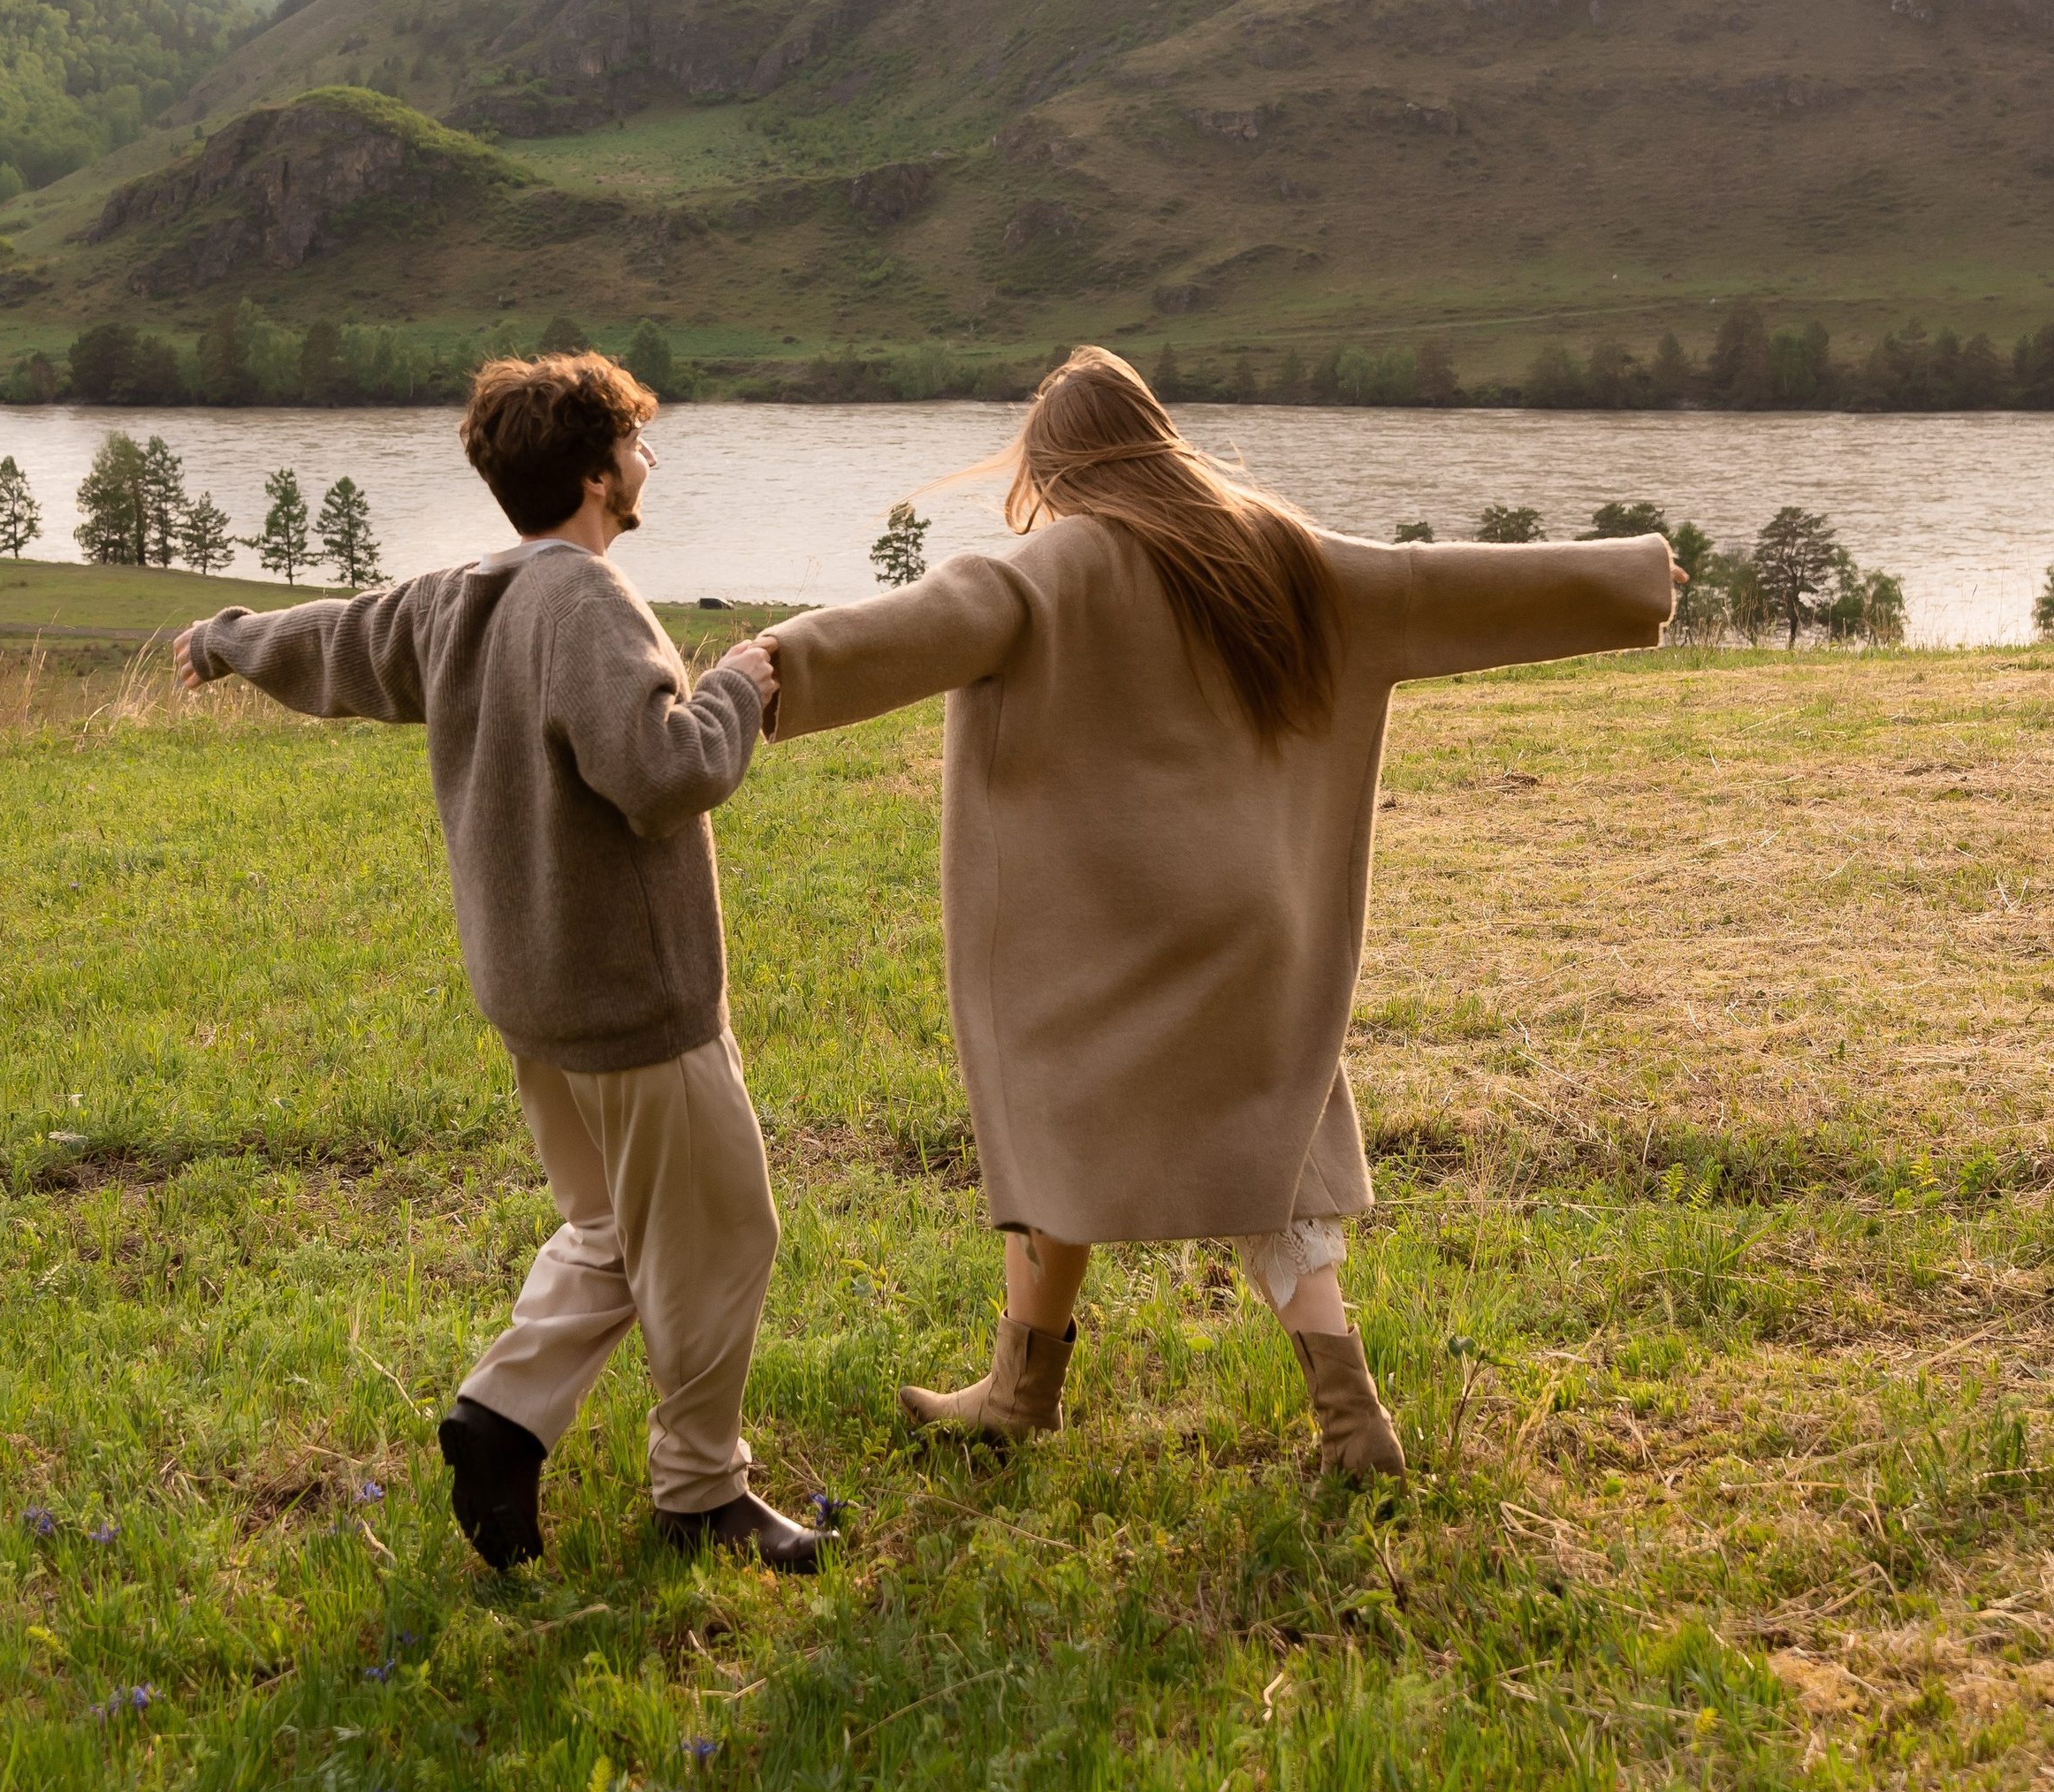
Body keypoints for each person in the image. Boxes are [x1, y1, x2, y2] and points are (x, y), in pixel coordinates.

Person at [760, 345, 1678, 1477]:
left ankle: (1019, 1392)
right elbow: (1427, 580)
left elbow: (927, 620)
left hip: (1109, 929)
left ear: (1058, 464)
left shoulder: (1057, 567)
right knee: (1270, 1150)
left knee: (1062, 1120)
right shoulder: (1275, 549)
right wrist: (1629, 579)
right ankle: (1345, 1417)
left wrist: (767, 672)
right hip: (1256, 920)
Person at [172, 350, 828, 1576]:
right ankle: (700, 1492)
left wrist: (228, 637)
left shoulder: (454, 597)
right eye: (637, 444)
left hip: (535, 1001)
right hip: (635, 1010)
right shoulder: (585, 599)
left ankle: (502, 1419)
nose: (648, 461)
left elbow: (331, 642)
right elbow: (664, 772)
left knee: (613, 1229)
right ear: (595, 473)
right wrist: (738, 685)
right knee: (721, 1236)